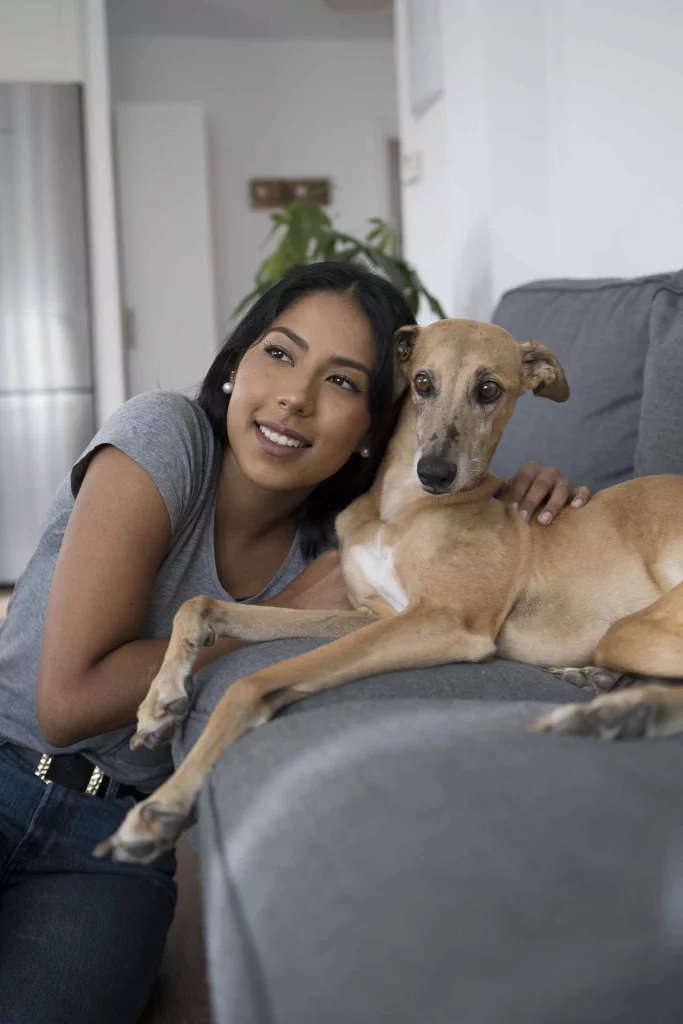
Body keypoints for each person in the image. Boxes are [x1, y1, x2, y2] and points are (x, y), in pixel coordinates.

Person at [0, 262, 590, 1023]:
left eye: (342, 382)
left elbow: (463, 569)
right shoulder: (164, 436)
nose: (295, 397)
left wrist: (525, 499)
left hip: (113, 849)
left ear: (378, 420)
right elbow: (66, 705)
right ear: (237, 361)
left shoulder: (359, 544)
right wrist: (276, 608)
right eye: (279, 353)